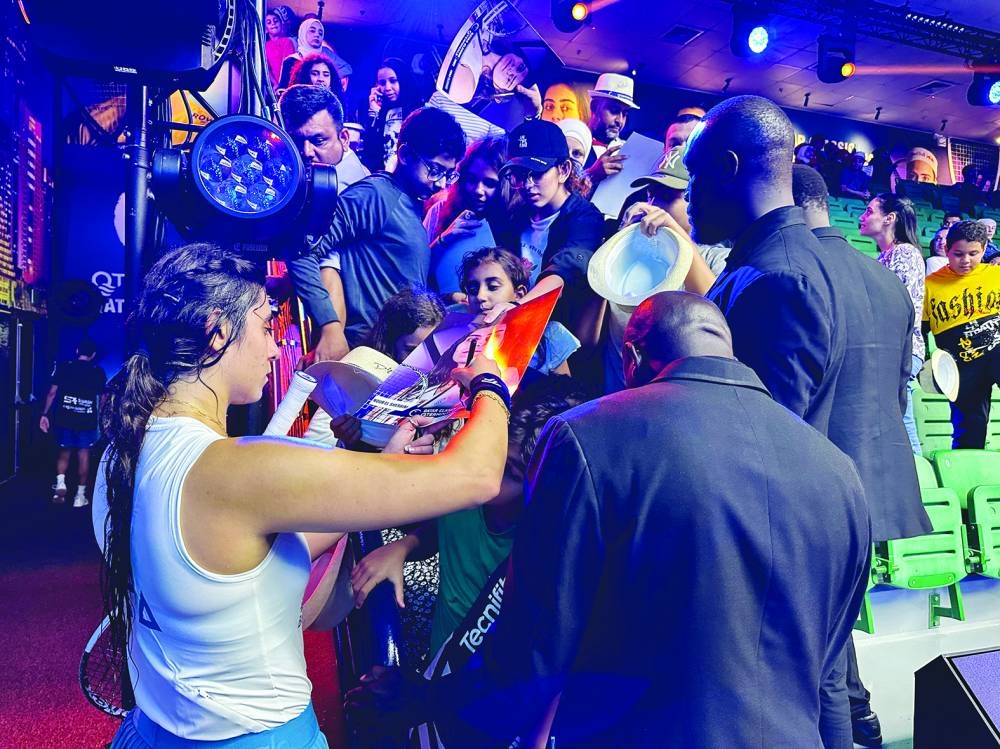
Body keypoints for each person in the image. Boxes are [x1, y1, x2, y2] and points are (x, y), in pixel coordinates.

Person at [354, 291, 870, 748]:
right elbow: (829, 664)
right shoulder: (839, 470)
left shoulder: (588, 436)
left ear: (633, 357)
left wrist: (426, 700)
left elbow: (535, 653)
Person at [92, 242, 509, 748]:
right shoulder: (238, 467)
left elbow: (248, 564)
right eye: (267, 327)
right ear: (217, 332)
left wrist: (382, 463)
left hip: (155, 732)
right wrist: (491, 381)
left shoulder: (130, 447)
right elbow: (477, 476)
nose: (273, 348)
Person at [680, 95, 866, 748]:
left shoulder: (779, 277)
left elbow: (769, 448)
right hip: (783, 538)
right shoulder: (771, 263)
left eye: (696, 178)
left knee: (806, 703)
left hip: (769, 551)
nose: (689, 197)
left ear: (729, 167)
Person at [792, 164, 931, 748]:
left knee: (821, 632)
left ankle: (852, 728)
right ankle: (863, 724)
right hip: (869, 472)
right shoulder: (879, 280)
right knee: (835, 625)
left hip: (820, 477)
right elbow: (900, 380)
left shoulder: (796, 274)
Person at [349, 374, 586, 663]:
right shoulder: (469, 476)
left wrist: (414, 697)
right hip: (436, 666)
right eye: (498, 459)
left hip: (464, 692)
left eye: (513, 475)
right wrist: (405, 547)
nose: (491, 481)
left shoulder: (544, 550)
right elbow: (450, 524)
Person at [288, 106, 466, 362]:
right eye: (435, 170)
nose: (440, 182)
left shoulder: (411, 201)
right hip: (366, 359)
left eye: (448, 174)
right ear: (404, 154)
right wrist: (330, 325)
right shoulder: (376, 195)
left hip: (391, 360)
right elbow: (301, 249)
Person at [490, 119, 606, 356]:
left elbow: (564, 271)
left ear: (563, 170)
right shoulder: (516, 215)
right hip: (513, 337)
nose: (527, 185)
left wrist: (516, 308)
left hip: (559, 349)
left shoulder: (584, 217)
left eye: (537, 173)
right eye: (519, 176)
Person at [923, 220, 1000, 449]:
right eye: (958, 254)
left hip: (996, 351)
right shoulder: (930, 285)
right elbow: (921, 329)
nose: (966, 261)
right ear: (946, 249)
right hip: (961, 367)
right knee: (969, 429)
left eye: (973, 254)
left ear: (984, 249)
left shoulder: (995, 276)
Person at [859, 193, 926, 455]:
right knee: (898, 418)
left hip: (899, 349)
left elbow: (897, 306)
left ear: (889, 218)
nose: (862, 217)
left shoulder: (904, 253)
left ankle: (918, 481)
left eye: (869, 211)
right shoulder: (887, 256)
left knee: (902, 419)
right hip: (894, 348)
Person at [457, 247, 579, 376]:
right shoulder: (463, 345)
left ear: (519, 294)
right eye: (473, 289)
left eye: (493, 287)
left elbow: (567, 393)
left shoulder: (549, 334)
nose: (480, 296)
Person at [424, 137, 507, 297]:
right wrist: (444, 239)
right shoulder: (440, 210)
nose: (478, 190)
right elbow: (415, 271)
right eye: (472, 179)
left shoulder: (514, 222)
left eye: (490, 183)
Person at [40, 338, 107, 507]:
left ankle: (60, 485)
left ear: (77, 351)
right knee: (83, 455)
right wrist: (101, 416)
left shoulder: (65, 367)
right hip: (86, 419)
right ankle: (80, 496)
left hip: (65, 417)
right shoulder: (97, 371)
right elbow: (103, 398)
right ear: (93, 355)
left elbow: (51, 393)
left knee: (64, 452)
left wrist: (44, 414)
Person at [280, 84, 369, 193]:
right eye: (295, 142)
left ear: (344, 139)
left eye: (318, 141)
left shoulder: (348, 196)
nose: (307, 152)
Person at [363, 58, 423, 173]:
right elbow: (370, 150)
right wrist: (374, 112)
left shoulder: (417, 109)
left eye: (393, 80)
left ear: (402, 80)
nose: (387, 88)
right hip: (385, 176)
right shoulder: (382, 111)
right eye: (382, 83)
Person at [583, 73, 639, 191]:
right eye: (614, 110)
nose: (620, 120)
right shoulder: (573, 142)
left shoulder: (629, 149)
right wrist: (591, 175)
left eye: (624, 114)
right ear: (594, 107)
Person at [278, 18, 352, 93]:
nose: (317, 35)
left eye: (320, 33)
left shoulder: (326, 59)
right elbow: (282, 90)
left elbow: (346, 69)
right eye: (312, 31)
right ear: (303, 32)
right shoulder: (291, 60)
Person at [264, 5, 296, 89]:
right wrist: (275, 84)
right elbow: (266, 67)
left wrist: (282, 84)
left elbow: (288, 64)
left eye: (275, 21)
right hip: (273, 86)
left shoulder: (287, 41)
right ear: (266, 29)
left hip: (287, 83)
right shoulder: (265, 45)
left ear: (281, 24)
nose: (273, 23)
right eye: (269, 22)